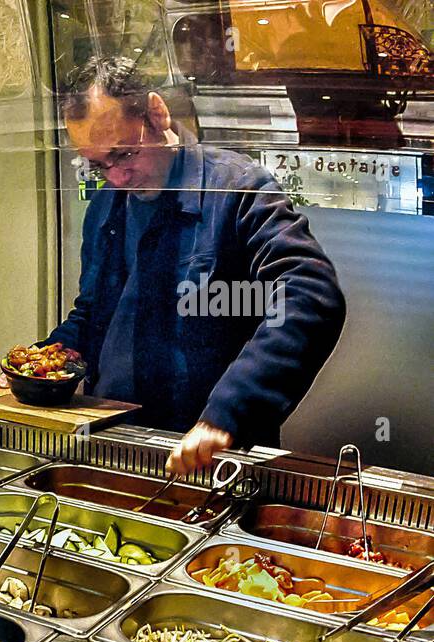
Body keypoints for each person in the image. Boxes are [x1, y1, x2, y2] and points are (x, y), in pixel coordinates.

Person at [30, 57, 346, 477]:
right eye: (98, 165)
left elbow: (310, 295)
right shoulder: (107, 205)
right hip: (118, 443)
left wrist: (228, 413)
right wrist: (43, 364)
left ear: (157, 114)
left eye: (123, 154)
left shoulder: (237, 188)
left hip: (211, 454)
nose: (117, 177)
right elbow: (93, 313)